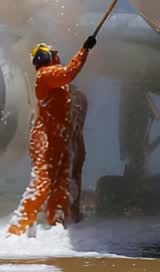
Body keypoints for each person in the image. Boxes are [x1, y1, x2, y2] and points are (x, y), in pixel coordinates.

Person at [7, 36, 96, 235]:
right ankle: (17, 227)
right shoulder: (46, 75)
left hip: (58, 137)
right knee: (43, 181)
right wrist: (84, 50)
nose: (57, 56)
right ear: (46, 57)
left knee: (61, 182)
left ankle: (56, 221)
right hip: (46, 137)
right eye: (53, 54)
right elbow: (68, 72)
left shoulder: (53, 79)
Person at [68, 88, 89, 224]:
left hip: (70, 140)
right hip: (73, 140)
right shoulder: (80, 97)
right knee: (75, 174)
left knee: (73, 174)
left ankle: (70, 212)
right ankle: (72, 212)